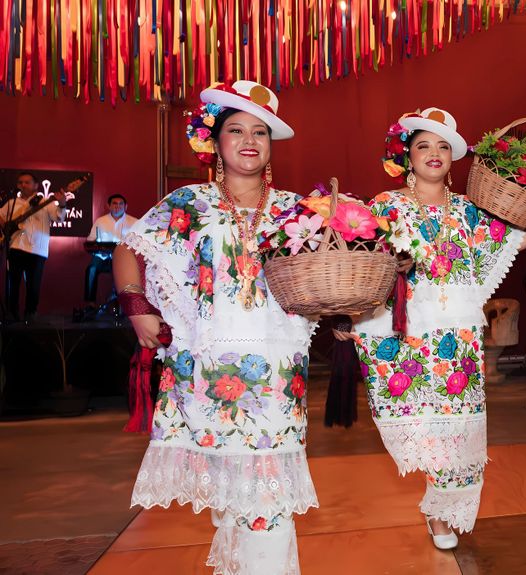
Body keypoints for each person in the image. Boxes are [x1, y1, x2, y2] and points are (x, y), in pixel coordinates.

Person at [113, 80, 318, 574]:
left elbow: (326, 274)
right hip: (203, 372)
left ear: (270, 146)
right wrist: (138, 305)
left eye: (260, 131)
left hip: (275, 374)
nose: (250, 139)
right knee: (232, 495)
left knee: (268, 500)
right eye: (236, 129)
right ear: (215, 140)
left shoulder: (299, 211)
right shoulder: (188, 203)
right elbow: (128, 249)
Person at [349, 107, 526, 550]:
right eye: (424, 145)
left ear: (453, 158)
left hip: (457, 338)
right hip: (405, 336)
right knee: (426, 429)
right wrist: (353, 310)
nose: (434, 153)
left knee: (459, 432)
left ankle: (440, 511)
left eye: (443, 146)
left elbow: (511, 239)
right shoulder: (385, 205)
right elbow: (363, 262)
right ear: (408, 156)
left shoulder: (469, 210)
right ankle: (435, 502)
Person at [0, 171, 67, 323]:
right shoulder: (12, 203)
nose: (23, 185)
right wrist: (6, 227)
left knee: (33, 284)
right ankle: (12, 314)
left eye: (27, 182)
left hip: (37, 248)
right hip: (15, 246)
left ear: (36, 185)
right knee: (13, 283)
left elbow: (59, 218)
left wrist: (62, 203)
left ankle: (31, 313)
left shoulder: (45, 202)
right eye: (20, 182)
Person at [84, 194, 138, 306]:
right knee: (91, 269)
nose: (117, 206)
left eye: (121, 204)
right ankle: (90, 303)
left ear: (125, 206)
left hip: (124, 260)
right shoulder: (100, 221)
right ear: (109, 206)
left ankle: (127, 304)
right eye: (114, 203)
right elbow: (90, 240)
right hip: (103, 257)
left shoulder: (134, 222)